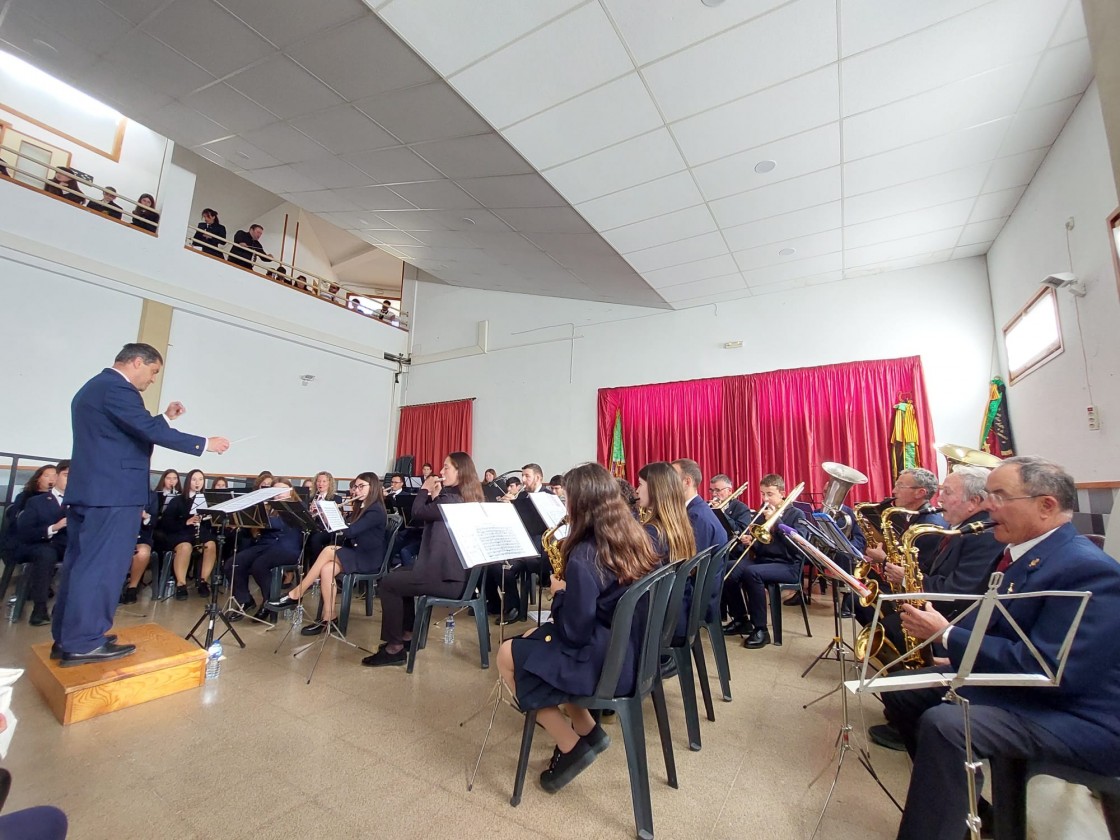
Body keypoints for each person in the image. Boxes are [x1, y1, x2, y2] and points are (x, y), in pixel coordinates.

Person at [881, 456, 1120, 840]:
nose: (988, 505)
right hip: (1029, 688)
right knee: (905, 693)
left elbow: (1051, 667)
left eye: (1000, 495)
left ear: (1046, 506)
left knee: (946, 725)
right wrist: (956, 654)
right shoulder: (1026, 552)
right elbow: (1003, 628)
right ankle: (962, 807)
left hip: (1076, 713)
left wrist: (947, 636)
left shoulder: (1088, 568)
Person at [52, 344, 229, 666]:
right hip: (112, 495)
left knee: (81, 566)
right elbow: (143, 429)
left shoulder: (96, 388)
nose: (151, 379)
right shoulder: (118, 388)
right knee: (102, 569)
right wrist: (205, 444)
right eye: (153, 371)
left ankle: (69, 637)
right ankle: (84, 641)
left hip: (92, 492)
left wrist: (164, 417)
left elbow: (128, 429)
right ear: (137, 362)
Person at [497, 462, 660, 792]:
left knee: (507, 655)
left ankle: (570, 745)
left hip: (606, 663)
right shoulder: (634, 536)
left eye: (567, 498)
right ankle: (589, 731)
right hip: (630, 651)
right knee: (531, 641)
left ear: (581, 504)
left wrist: (560, 593)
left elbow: (574, 632)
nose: (564, 505)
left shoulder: (587, 554)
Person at [870, 464, 1005, 752]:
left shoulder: (981, 534)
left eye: (947, 492)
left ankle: (911, 718)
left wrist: (906, 577)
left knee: (892, 628)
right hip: (945, 613)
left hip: (954, 619)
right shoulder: (961, 529)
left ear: (975, 501)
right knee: (882, 619)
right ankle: (905, 705)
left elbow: (958, 591)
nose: (939, 498)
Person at [361, 453, 482, 667]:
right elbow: (439, 521)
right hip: (452, 574)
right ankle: (407, 635)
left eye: (446, 468)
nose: (441, 472)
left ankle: (394, 648)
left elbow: (417, 512)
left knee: (388, 584)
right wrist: (435, 495)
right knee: (398, 575)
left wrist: (425, 488)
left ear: (460, 472)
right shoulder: (462, 497)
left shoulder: (452, 500)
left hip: (448, 580)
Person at [267, 473, 387, 633]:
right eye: (355, 487)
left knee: (328, 550)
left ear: (373, 488)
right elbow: (347, 530)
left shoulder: (375, 510)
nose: (356, 490)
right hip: (356, 552)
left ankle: (297, 593)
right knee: (327, 569)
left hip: (368, 558)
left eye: (361, 486)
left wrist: (332, 516)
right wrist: (325, 516)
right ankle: (329, 618)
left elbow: (350, 532)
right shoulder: (362, 506)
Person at [723, 474, 811, 648]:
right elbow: (765, 545)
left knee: (751, 573)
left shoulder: (796, 514)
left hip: (788, 565)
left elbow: (797, 546)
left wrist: (776, 521)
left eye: (770, 494)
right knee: (727, 568)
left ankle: (761, 630)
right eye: (763, 494)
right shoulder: (763, 514)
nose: (765, 499)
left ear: (782, 493)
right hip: (765, 561)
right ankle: (741, 619)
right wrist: (752, 542)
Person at [226, 479, 302, 620]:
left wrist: (256, 516)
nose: (279, 495)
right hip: (265, 546)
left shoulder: (295, 507)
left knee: (259, 566)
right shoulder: (267, 507)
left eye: (282, 491)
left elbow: (279, 524)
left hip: (287, 549)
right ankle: (245, 600)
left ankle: (269, 603)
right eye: (275, 491)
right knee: (233, 563)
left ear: (291, 492)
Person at [671, 458, 726, 630]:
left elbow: (689, 567)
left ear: (687, 482)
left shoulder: (696, 516)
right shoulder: (697, 509)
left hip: (698, 599)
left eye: (672, 478)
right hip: (699, 590)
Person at [13, 461, 70, 626]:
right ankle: (39, 608)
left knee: (87, 553)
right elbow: (25, 532)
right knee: (46, 554)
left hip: (66, 545)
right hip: (39, 544)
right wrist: (54, 527)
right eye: (67, 475)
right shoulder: (36, 501)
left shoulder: (79, 504)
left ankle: (66, 607)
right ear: (57, 476)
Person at [157, 468, 219, 599]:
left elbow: (211, 525)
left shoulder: (207, 500)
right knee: (185, 547)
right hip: (180, 531)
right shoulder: (178, 500)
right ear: (188, 482)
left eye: (201, 479)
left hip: (199, 532)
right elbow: (166, 523)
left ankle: (203, 581)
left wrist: (208, 518)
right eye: (194, 479)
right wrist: (186, 521)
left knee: (211, 544)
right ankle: (181, 584)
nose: (198, 483)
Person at [635, 462, 695, 564]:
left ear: (655, 489)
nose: (637, 490)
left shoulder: (653, 531)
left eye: (640, 484)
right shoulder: (681, 525)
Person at [0, 465, 57, 565]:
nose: (52, 479)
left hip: (48, 540)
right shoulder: (25, 497)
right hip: (23, 543)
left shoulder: (58, 499)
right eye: (47, 476)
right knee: (47, 553)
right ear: (38, 479)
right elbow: (19, 523)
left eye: (55, 476)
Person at [119, 485, 160, 605]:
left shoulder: (151, 496)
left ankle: (132, 587)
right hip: (119, 533)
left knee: (143, 553)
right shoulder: (120, 490)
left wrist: (146, 517)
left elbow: (154, 520)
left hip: (141, 534)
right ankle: (115, 588)